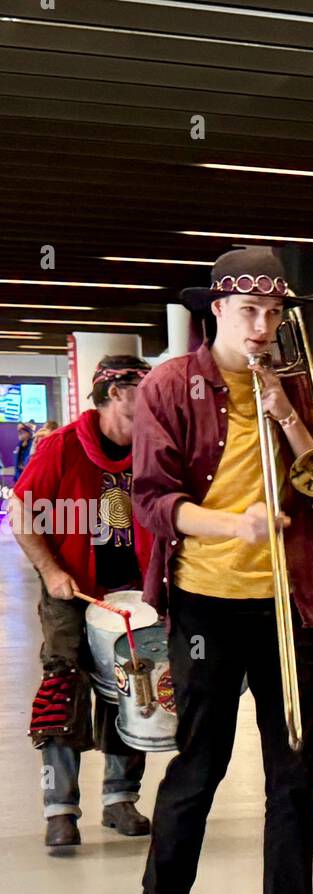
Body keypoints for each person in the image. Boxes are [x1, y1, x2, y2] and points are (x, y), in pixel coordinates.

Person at [131, 247, 313, 894]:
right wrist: (231, 528)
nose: (263, 327)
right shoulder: (169, 384)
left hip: (289, 604)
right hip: (206, 603)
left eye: (274, 314)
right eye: (250, 312)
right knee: (200, 765)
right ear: (216, 311)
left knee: (295, 778)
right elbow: (151, 498)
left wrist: (286, 415)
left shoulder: (287, 384)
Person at [8, 357, 153, 849]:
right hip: (70, 586)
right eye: (144, 384)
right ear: (115, 392)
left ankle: (120, 800)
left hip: (137, 591)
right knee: (62, 689)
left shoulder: (157, 445)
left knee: (134, 690)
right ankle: (60, 808)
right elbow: (20, 510)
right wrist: (50, 571)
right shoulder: (62, 446)